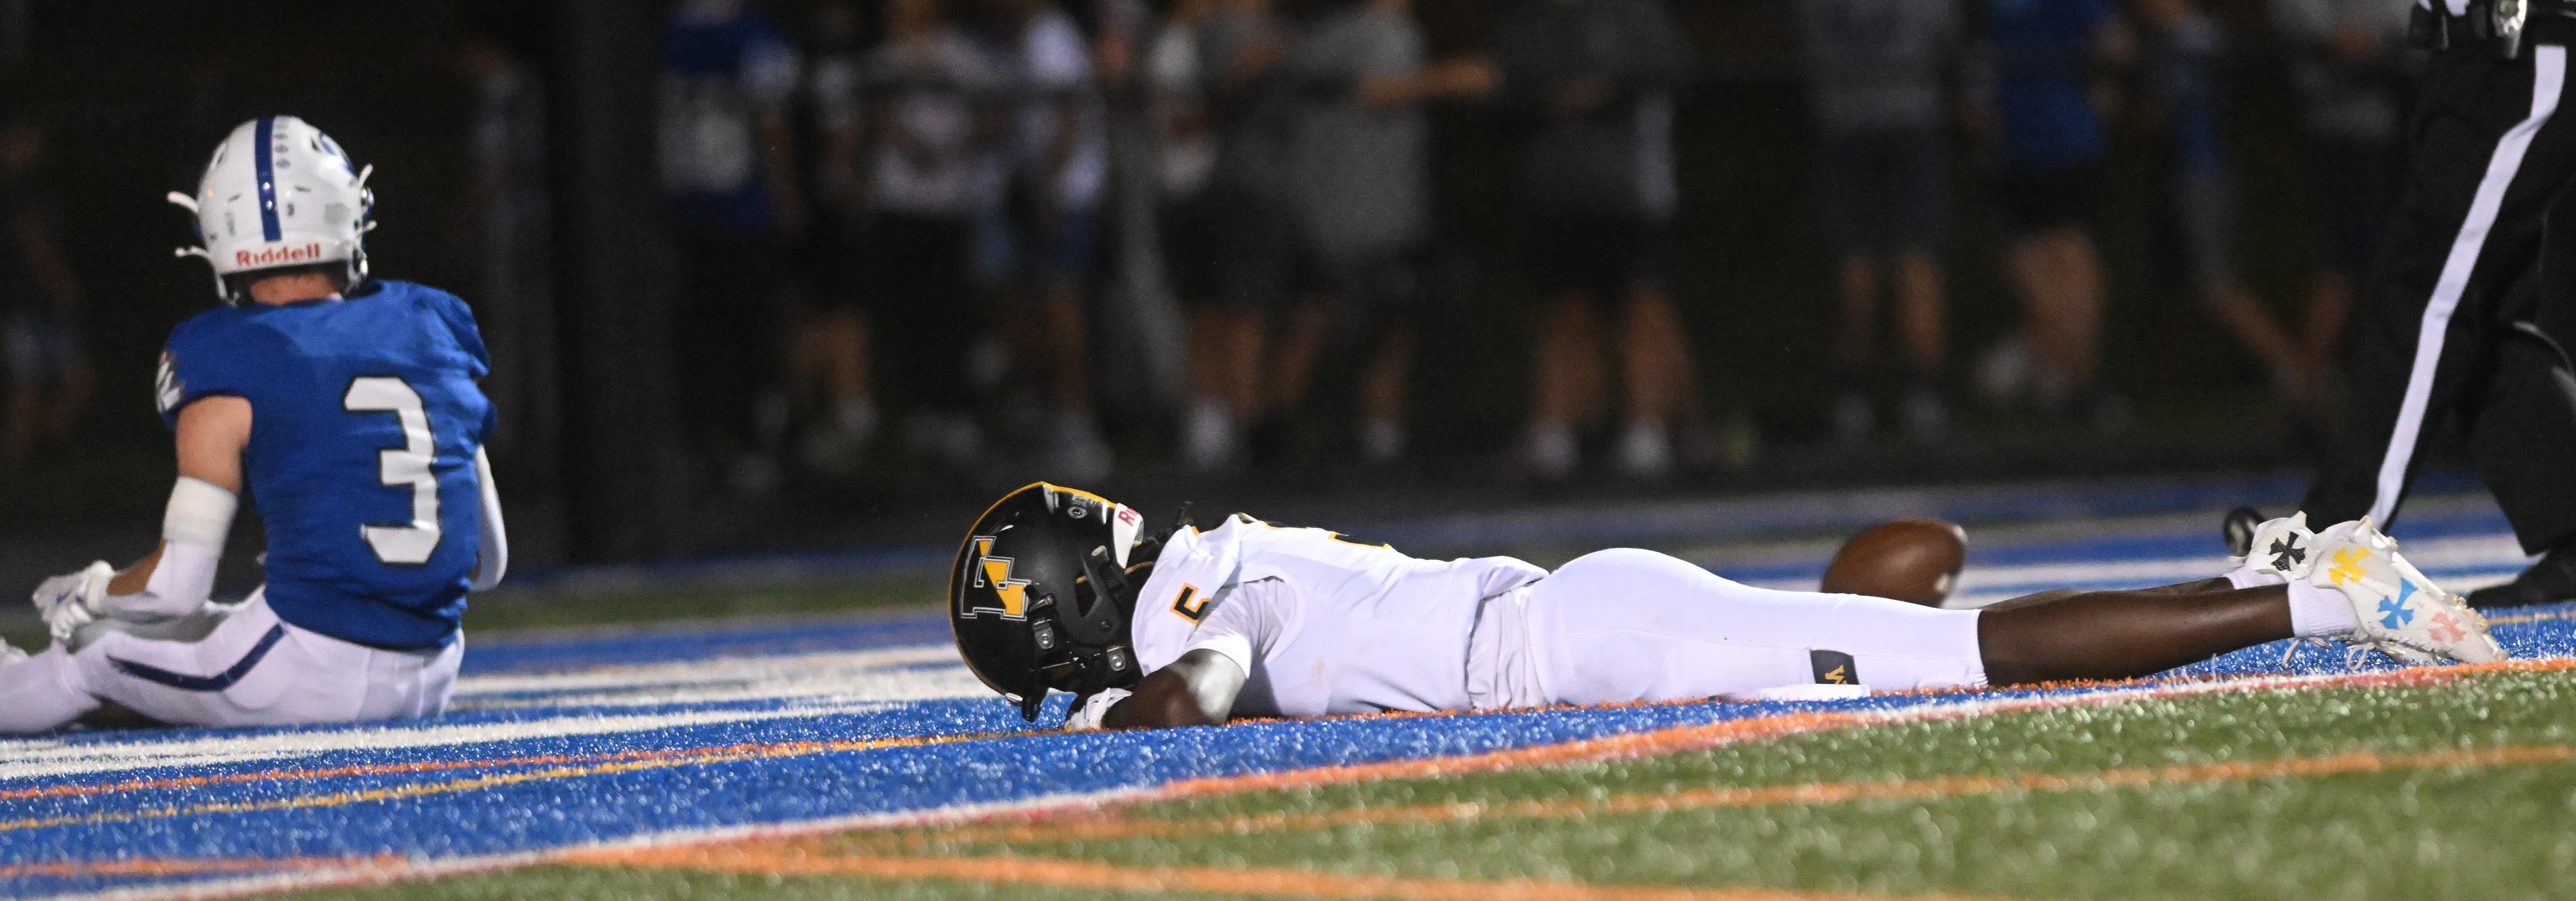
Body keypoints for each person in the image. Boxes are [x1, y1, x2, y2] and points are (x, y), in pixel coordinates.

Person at [947, 484, 2501, 728]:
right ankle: (1863, 585)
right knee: (1881, 629)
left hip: (1597, 644)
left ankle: (2305, 592)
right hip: (1596, 622)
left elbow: (1203, 684)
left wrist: (1111, 713)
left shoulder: (1183, 600)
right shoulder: (1211, 544)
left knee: (1981, 663)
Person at [0, 117, 503, 733]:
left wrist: (97, 589)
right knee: (205, 627)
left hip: (306, 674)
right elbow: (487, 562)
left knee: (95, 649)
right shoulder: (433, 324)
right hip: (431, 674)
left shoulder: (226, 352)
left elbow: (174, 586)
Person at [2289, 2, 2576, 611]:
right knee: (2481, 307)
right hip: (2474, 55)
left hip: (2526, 44)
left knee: (2426, 294)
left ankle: (2341, 532)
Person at [1268, 0, 1492, 466]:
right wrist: (1451, 78)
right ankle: (1275, 432)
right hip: (1353, 209)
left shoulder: (1352, 31)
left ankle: (1374, 434)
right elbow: (1377, 90)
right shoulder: (1376, 30)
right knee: (1328, 316)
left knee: (1391, 319)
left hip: (1381, 206)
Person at [1496, 0, 1699, 478]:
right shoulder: (1531, 22)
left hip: (1628, 191)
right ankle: (1560, 431)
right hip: (1556, 190)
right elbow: (1505, 89)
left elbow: (1672, 72)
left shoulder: (1632, 15)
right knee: (1563, 312)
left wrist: (1600, 92)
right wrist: (1549, 97)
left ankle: (1646, 428)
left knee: (1641, 307)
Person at [1796, 0, 1960, 446]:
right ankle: (1898, 394)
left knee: (1887, 262)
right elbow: (1947, 36)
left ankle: (1877, 394)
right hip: (1887, 119)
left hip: (1868, 121)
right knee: (1886, 261)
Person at [661, 0, 805, 494]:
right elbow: (772, 124)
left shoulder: (671, 34)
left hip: (688, 207)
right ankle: (745, 445)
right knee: (747, 335)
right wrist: (784, 194)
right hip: (739, 209)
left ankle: (708, 446)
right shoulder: (751, 35)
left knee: (703, 337)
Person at [1970, 0, 2130, 428]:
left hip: (2061, 141)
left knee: (2069, 258)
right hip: (2019, 147)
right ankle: (2059, 373)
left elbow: (2114, 42)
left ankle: (2069, 377)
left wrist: (2100, 96)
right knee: (2032, 263)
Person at [0, 116, 93, 473]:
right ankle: (19, 468)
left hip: (45, 305)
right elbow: (32, 243)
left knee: (78, 379)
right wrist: (62, 283)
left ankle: (39, 456)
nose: (29, 148)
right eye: (20, 140)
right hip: (21, 304)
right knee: (27, 387)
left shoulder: (37, 186)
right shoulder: (13, 193)